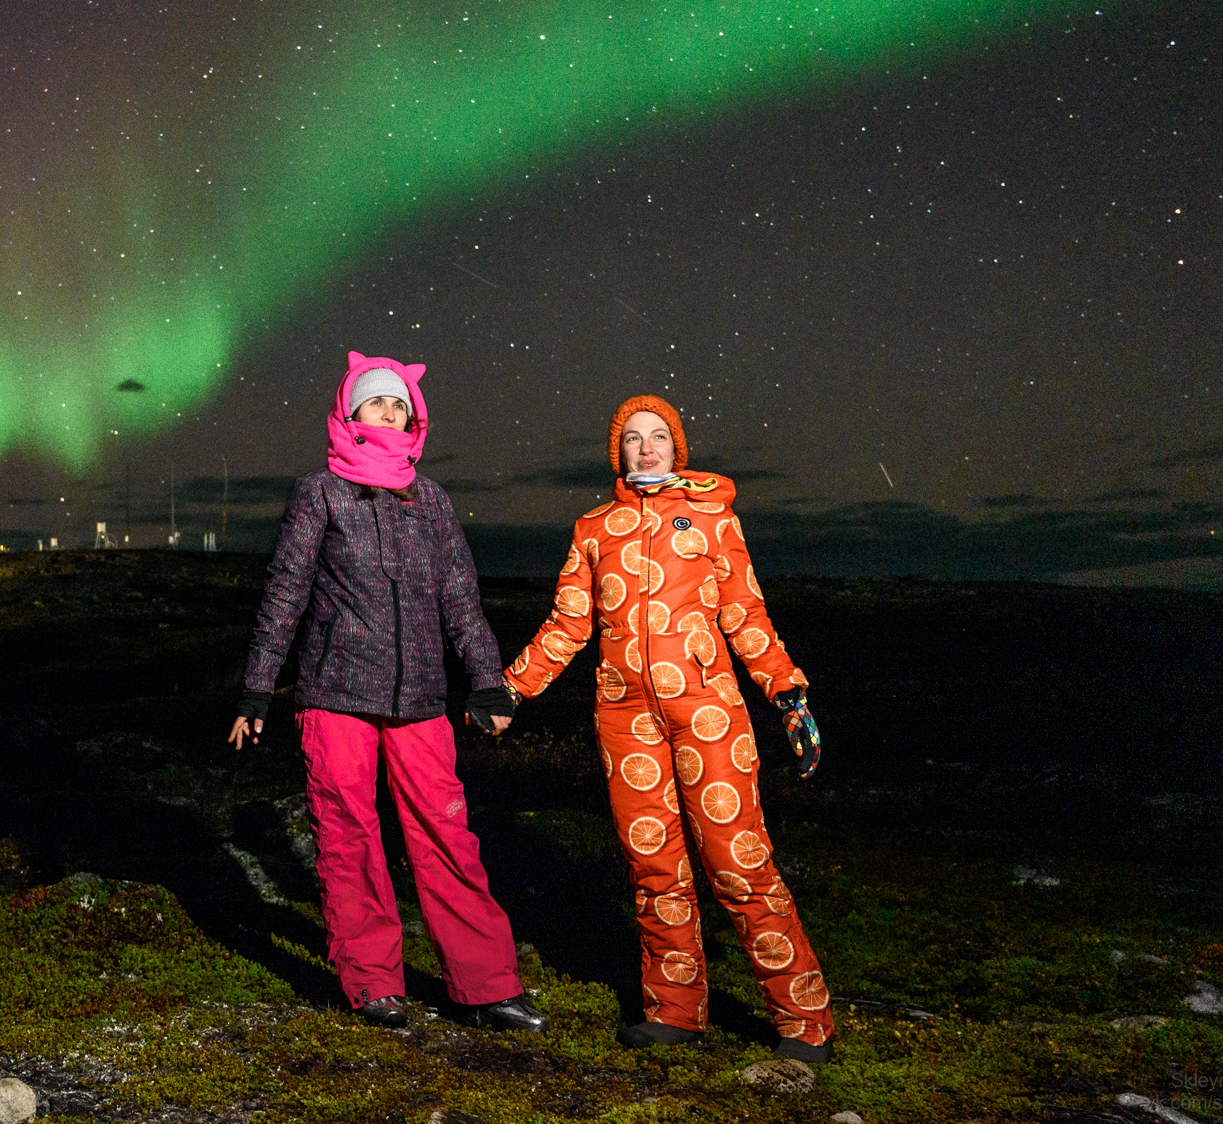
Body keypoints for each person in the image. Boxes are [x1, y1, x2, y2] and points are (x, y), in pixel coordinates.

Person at [502, 393, 836, 1065]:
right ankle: (674, 1011)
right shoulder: (594, 529)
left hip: (709, 712)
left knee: (739, 863)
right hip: (625, 719)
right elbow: (569, 623)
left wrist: (787, 691)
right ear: (618, 453)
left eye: (658, 435)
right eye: (633, 438)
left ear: (676, 448)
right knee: (655, 869)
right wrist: (511, 686)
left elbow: (745, 613)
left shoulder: (713, 518)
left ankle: (804, 1020)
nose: (646, 447)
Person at [231, 350, 542, 1033]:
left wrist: (486, 679)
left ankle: (487, 987)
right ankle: (373, 982)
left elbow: (460, 596)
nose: (389, 411)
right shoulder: (320, 491)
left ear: (414, 419)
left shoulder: (431, 499)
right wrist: (257, 688)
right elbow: (286, 592)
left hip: (421, 698)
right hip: (335, 693)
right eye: (376, 401)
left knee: (447, 836)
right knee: (348, 838)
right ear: (350, 413)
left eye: (400, 403)